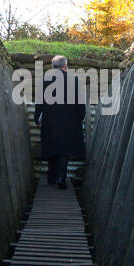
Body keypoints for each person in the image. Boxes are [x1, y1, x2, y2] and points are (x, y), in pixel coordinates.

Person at [34, 54, 86, 187]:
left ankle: (51, 178)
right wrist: (80, 118)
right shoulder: (74, 80)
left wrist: (37, 118)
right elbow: (80, 104)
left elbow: (39, 102)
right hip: (69, 122)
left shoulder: (45, 80)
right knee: (64, 149)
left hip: (49, 121)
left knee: (51, 146)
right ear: (65, 66)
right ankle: (61, 178)